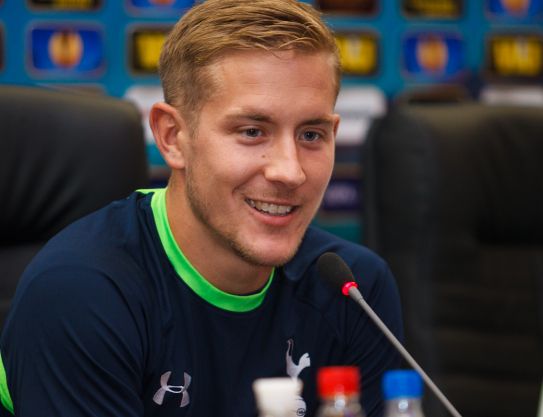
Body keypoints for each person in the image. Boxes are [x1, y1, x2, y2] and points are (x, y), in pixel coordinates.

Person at [0, 0, 403, 416]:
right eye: (252, 131)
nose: (290, 171)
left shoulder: (354, 290)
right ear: (173, 137)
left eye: (312, 135)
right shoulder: (79, 293)